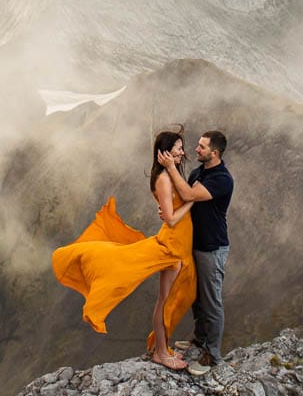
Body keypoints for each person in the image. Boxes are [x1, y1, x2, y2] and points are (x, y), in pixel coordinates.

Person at [52, 131, 198, 370]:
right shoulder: (163, 179)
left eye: (182, 148)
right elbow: (171, 219)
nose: (182, 152)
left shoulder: (169, 175)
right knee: (164, 300)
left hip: (179, 244)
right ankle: (161, 353)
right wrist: (192, 201)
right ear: (165, 152)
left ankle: (160, 348)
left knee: (173, 298)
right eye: (178, 148)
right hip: (172, 245)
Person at [156, 129, 232, 376]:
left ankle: (212, 354)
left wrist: (169, 167)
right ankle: (200, 340)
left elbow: (189, 195)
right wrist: (168, 210)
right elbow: (184, 200)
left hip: (212, 247)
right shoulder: (197, 172)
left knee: (211, 301)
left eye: (202, 147)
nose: (195, 150)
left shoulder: (222, 179)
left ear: (215, 152)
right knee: (196, 297)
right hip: (194, 244)